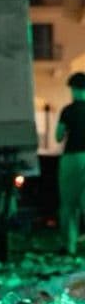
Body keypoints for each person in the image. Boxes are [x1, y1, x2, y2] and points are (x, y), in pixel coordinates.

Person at [54, 73, 85, 255]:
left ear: (72, 89)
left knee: (69, 204)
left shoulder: (68, 111)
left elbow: (58, 137)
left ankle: (69, 245)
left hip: (72, 158)